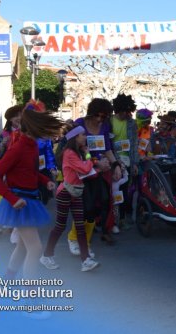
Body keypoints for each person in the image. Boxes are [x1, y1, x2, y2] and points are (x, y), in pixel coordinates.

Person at [0, 102, 63, 281]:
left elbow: (30, 171)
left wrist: (46, 181)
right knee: (35, 249)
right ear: (35, 128)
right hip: (19, 203)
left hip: (29, 200)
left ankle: (7, 282)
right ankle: (31, 304)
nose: (47, 133)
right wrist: (12, 199)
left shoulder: (32, 146)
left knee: (23, 247)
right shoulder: (18, 148)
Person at [41, 125, 105, 272]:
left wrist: (89, 161)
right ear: (75, 137)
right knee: (60, 226)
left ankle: (86, 260)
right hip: (65, 192)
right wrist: (89, 157)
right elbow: (85, 169)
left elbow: (85, 172)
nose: (85, 137)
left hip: (76, 192)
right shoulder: (70, 153)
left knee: (80, 226)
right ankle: (46, 255)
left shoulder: (77, 153)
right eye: (82, 135)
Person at [67, 98, 122, 251]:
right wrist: (94, 162)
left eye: (103, 117)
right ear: (90, 113)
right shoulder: (79, 123)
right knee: (88, 206)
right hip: (83, 171)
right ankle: (77, 237)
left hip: (99, 171)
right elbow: (71, 150)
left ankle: (104, 231)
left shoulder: (104, 126)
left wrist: (116, 164)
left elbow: (108, 149)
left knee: (105, 200)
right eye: (97, 116)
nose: (99, 119)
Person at [110, 94, 139, 231]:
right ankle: (111, 219)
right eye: (124, 111)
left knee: (124, 191)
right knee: (112, 190)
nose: (126, 114)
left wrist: (134, 163)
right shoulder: (109, 122)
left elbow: (134, 144)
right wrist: (115, 160)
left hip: (127, 160)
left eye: (129, 111)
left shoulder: (132, 123)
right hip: (113, 160)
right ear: (117, 109)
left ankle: (121, 219)